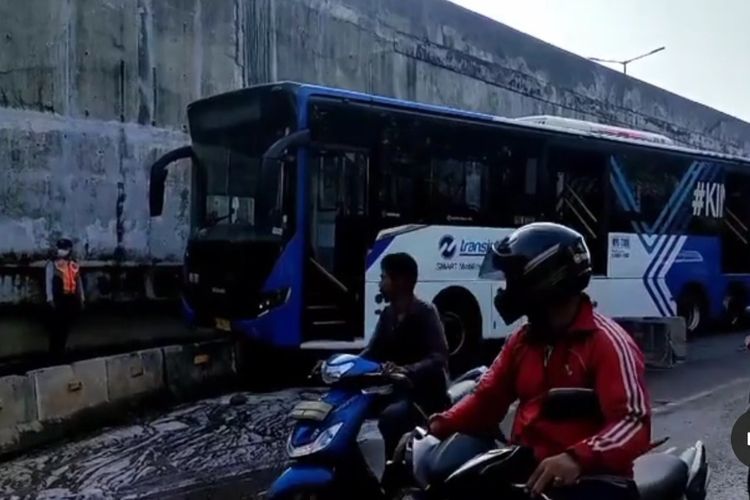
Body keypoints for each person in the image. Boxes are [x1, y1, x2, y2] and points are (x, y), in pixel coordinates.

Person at [427, 223, 651, 500]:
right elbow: (487, 399)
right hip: (531, 469)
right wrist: (434, 427)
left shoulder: (607, 343)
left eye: (512, 281)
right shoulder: (522, 340)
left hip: (595, 477)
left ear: (545, 281)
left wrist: (576, 458)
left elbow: (632, 423)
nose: (506, 291)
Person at [361, 252, 450, 459]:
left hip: (424, 395)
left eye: (383, 277)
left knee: (391, 418)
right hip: (397, 390)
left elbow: (439, 357)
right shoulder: (387, 315)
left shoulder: (426, 312)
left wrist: (407, 370)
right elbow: (372, 351)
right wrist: (341, 364)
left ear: (400, 281)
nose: (379, 284)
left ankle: (394, 470)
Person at [45, 238, 86, 358]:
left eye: (65, 249)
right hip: (59, 299)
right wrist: (50, 298)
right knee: (57, 327)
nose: (63, 251)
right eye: (61, 248)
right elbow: (49, 282)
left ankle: (60, 351)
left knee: (65, 327)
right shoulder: (52, 264)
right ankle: (54, 352)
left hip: (71, 299)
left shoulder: (73, 264)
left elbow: (78, 282)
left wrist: (81, 298)